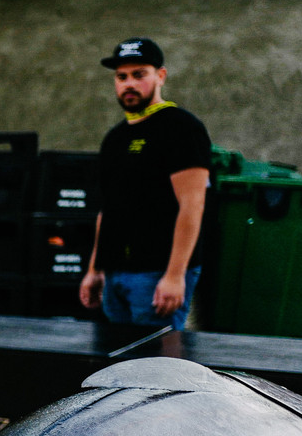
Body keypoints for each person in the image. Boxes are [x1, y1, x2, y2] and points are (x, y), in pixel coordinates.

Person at [79, 38, 212, 329]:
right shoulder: (114, 138)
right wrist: (95, 269)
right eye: (121, 77)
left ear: (160, 76)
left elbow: (193, 206)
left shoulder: (182, 128)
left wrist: (175, 275)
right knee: (118, 364)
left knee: (156, 365)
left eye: (139, 75)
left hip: (157, 275)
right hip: (115, 273)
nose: (129, 84)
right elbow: (108, 210)